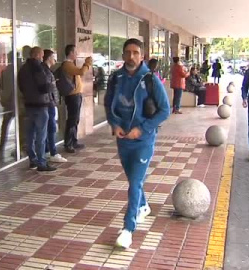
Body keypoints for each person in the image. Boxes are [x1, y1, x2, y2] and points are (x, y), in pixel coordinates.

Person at [105, 38, 170, 249]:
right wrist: (114, 124)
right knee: (134, 180)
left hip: (143, 140)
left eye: (135, 52)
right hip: (123, 140)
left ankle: (128, 229)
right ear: (123, 55)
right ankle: (143, 206)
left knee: (134, 182)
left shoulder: (150, 79)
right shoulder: (116, 78)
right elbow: (108, 104)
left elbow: (164, 110)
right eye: (127, 52)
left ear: (142, 55)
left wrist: (141, 129)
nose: (131, 56)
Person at [18, 47, 57, 172]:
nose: (42, 57)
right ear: (37, 55)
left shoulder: (23, 69)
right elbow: (43, 87)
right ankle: (41, 162)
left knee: (30, 135)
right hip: (40, 105)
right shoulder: (38, 68)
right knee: (41, 135)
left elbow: (21, 86)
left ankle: (32, 160)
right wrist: (52, 85)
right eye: (41, 55)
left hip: (28, 105)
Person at [61, 45, 93, 153]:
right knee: (72, 119)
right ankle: (68, 143)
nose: (77, 54)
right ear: (70, 53)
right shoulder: (67, 64)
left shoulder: (71, 64)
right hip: (72, 96)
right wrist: (87, 63)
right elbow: (81, 72)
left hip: (76, 95)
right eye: (75, 52)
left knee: (75, 119)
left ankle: (73, 141)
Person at [0, 51, 26, 156]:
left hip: (10, 102)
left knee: (5, 125)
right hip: (21, 101)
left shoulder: (7, 71)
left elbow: (5, 89)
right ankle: (21, 147)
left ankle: (1, 147)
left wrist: (4, 101)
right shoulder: (23, 68)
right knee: (21, 126)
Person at [43, 49, 67, 163]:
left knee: (49, 128)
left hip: (49, 103)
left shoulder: (47, 71)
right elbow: (48, 89)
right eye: (53, 57)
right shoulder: (45, 71)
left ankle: (48, 150)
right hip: (49, 104)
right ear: (48, 58)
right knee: (51, 128)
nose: (55, 60)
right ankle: (52, 152)